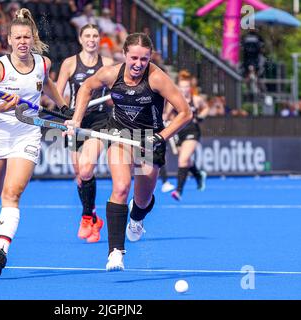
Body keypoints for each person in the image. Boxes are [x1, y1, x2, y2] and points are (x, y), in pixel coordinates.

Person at [65, 33, 192, 271]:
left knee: (142, 200)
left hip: (148, 140)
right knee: (121, 187)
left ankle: (136, 219)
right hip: (120, 135)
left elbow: (185, 113)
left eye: (144, 59)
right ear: (124, 55)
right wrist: (76, 120)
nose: (138, 64)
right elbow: (87, 87)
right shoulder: (112, 73)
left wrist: (159, 138)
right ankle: (115, 252)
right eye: (134, 58)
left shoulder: (157, 78)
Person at [0, 8, 67, 277]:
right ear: (9, 40)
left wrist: (63, 106)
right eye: (17, 38)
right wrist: (0, 108)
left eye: (27, 37)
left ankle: (0, 249)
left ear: (32, 37)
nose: (22, 42)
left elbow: (46, 83)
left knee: (12, 194)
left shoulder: (43, 63)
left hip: (27, 133)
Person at [56, 24, 114, 243]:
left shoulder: (107, 64)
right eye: (87, 35)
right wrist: (67, 114)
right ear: (80, 39)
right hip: (74, 121)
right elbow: (59, 93)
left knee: (87, 167)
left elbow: (114, 93)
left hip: (99, 121)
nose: (91, 39)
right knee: (80, 176)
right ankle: (95, 218)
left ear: (99, 39)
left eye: (95, 36)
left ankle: (86, 216)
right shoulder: (70, 64)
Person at [169, 70, 210, 201]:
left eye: (186, 87)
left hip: (192, 131)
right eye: (181, 87)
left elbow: (206, 108)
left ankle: (178, 191)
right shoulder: (174, 100)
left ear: (190, 88)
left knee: (183, 159)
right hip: (179, 132)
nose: (184, 90)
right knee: (186, 160)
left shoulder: (196, 100)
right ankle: (198, 175)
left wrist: (201, 117)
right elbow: (166, 114)